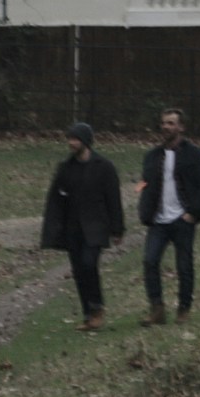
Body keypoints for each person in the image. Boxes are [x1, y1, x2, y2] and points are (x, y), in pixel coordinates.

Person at [38, 123, 126, 332]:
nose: (71, 143)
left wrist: (117, 228)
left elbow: (113, 199)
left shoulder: (104, 167)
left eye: (75, 139)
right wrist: (54, 228)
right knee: (78, 270)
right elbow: (56, 200)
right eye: (69, 139)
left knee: (89, 264)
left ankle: (96, 307)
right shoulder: (66, 168)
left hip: (96, 227)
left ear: (86, 141)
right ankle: (88, 313)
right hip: (73, 228)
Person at [136, 107, 200, 326]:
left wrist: (192, 214)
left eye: (171, 123)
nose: (166, 127)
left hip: (182, 219)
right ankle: (157, 308)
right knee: (150, 261)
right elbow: (145, 183)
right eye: (163, 123)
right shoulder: (152, 156)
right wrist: (144, 208)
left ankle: (184, 309)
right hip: (158, 221)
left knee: (184, 265)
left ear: (181, 127)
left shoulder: (194, 154)